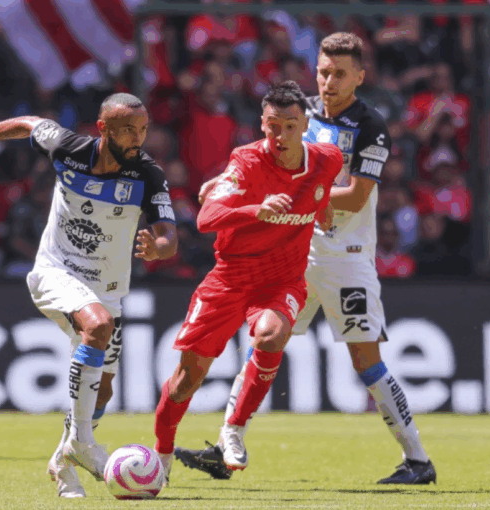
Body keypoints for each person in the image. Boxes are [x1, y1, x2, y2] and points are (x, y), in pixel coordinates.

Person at [176, 33, 436, 485]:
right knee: (264, 340)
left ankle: (417, 460)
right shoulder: (302, 112)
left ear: (360, 76)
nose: (328, 81)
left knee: (365, 359)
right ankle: (226, 443)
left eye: (339, 73)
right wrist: (225, 181)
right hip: (294, 251)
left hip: (345, 257)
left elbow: (355, 197)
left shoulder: (371, 126)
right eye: (322, 71)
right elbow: (263, 156)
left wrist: (300, 197)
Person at [0, 93, 178, 498]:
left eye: (142, 130)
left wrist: (160, 247)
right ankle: (83, 444)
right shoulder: (69, 148)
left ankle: (63, 460)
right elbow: (31, 122)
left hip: (108, 290)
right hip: (55, 272)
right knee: (98, 325)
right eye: (128, 131)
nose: (138, 139)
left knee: (102, 391)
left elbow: (169, 234)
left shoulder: (147, 175)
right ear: (103, 129)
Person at [153, 81, 341, 483]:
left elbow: (320, 192)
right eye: (273, 125)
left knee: (272, 336)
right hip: (230, 278)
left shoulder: (329, 159)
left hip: (282, 280)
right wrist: (258, 210)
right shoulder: (246, 161)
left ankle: (233, 429)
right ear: (262, 123)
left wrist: (322, 212)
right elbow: (205, 219)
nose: (281, 136)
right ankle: (162, 454)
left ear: (305, 123)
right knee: (187, 380)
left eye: (290, 126)